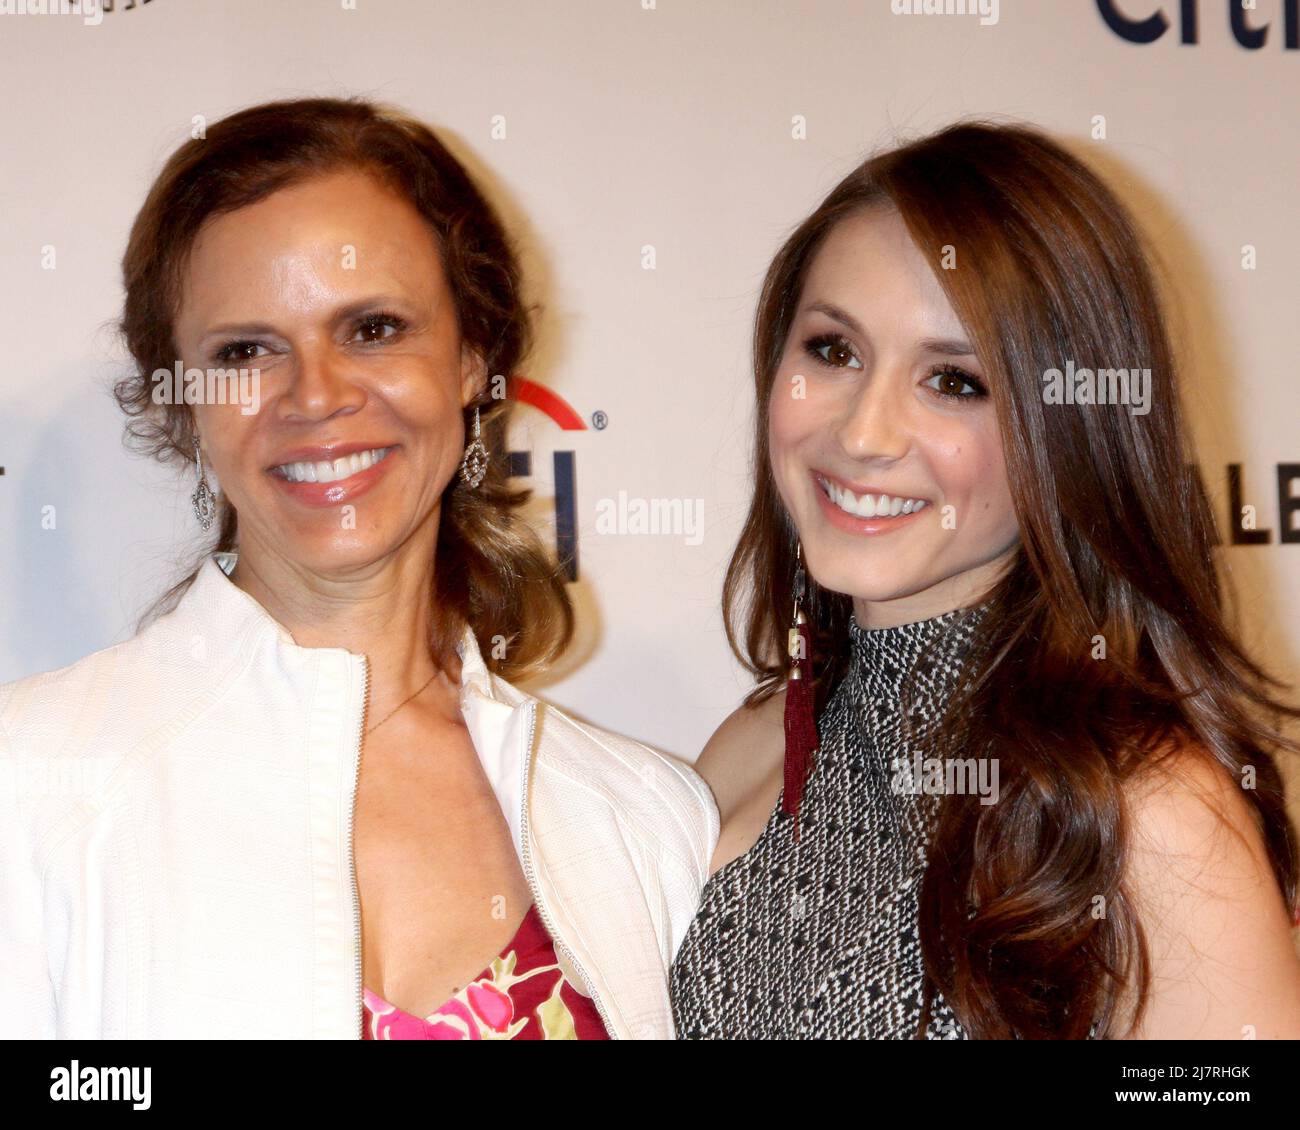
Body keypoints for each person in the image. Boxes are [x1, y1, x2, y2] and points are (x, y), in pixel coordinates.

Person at [0, 97, 716, 1040]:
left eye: (373, 328)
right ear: (183, 404)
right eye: (247, 350)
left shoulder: (643, 817)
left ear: (472, 355)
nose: (318, 395)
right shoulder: (32, 781)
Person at [670, 121, 1300, 1039]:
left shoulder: (1148, 814)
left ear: (1070, 434)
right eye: (833, 351)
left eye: (955, 382)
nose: (864, 434)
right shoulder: (755, 745)